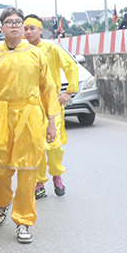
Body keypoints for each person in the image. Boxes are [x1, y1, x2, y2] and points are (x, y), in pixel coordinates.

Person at [0, 7, 58, 244]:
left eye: (18, 22)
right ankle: (1, 203)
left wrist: (52, 121)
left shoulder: (36, 54)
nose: (14, 25)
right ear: (1, 28)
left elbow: (48, 88)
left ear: (23, 28)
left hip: (30, 116)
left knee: (28, 170)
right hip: (0, 116)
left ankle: (23, 221)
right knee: (0, 170)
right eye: (9, 22)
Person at [22, 14, 78, 199]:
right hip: (30, 105)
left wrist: (69, 92)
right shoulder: (21, 50)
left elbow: (71, 67)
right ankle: (39, 182)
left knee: (54, 145)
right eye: (26, 28)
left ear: (40, 30)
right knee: (35, 145)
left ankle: (57, 175)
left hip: (52, 103)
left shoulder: (51, 48)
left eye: (32, 28)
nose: (28, 32)